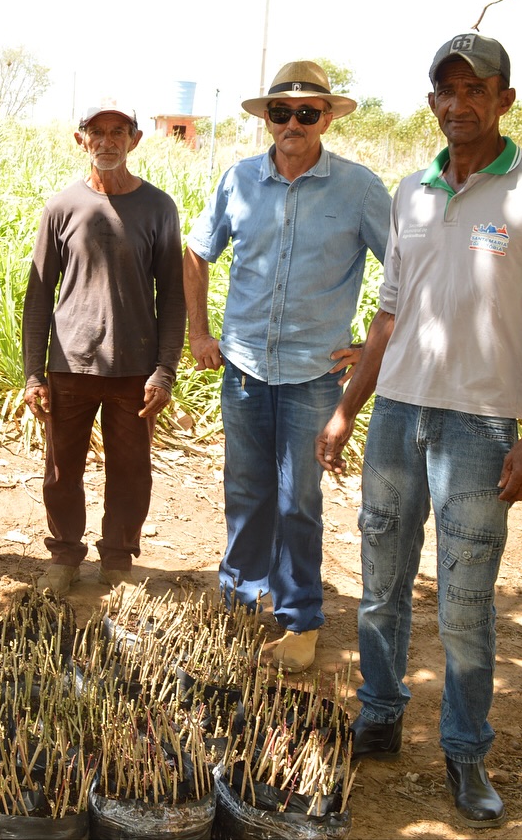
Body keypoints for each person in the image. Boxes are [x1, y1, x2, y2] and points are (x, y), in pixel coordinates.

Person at [316, 34, 522, 826]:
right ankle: (381, 715)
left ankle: (467, 754)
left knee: (466, 601)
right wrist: (348, 408)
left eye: (478, 89)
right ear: (432, 101)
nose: (460, 104)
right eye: (447, 90)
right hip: (398, 412)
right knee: (381, 585)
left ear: (505, 99)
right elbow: (392, 311)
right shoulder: (414, 192)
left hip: (479, 426)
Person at [184, 60, 391, 672]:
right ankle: (241, 605)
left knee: (298, 500)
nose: (293, 123)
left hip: (313, 376)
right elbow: (197, 251)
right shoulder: (238, 181)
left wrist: (369, 349)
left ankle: (299, 621)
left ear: (327, 117)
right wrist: (199, 331)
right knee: (245, 493)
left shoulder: (359, 189)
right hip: (245, 369)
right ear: (268, 118)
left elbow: (405, 273)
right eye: (282, 112)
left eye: (306, 112)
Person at [22, 98, 185, 596]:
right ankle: (65, 555)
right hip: (70, 364)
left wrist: (165, 369)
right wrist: (33, 373)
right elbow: (38, 295)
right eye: (98, 132)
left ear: (135, 140)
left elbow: (173, 295)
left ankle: (117, 558)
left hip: (134, 370)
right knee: (60, 469)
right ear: (81, 140)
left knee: (131, 471)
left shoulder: (158, 207)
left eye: (120, 132)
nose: (108, 141)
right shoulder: (62, 207)